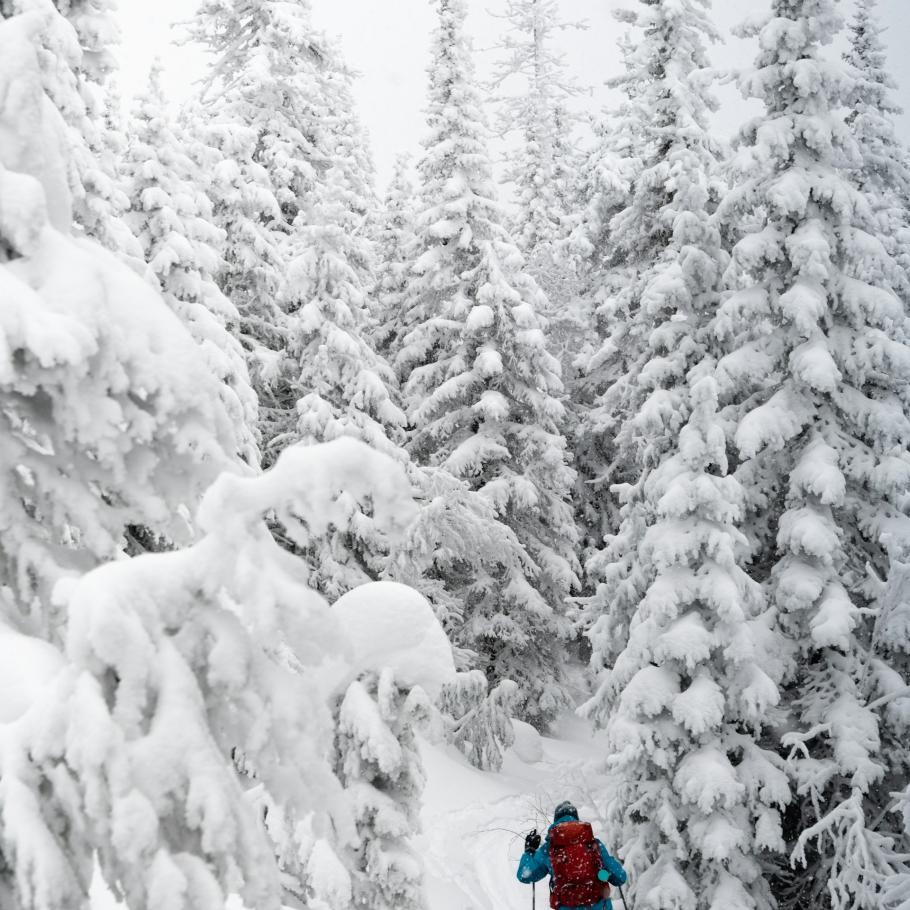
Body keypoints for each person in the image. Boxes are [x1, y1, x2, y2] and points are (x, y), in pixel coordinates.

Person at [517, 801, 627, 910]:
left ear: (556, 820)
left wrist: (529, 850)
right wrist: (605, 873)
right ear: (576, 819)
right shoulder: (593, 844)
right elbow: (620, 877)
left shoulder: (550, 848)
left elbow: (525, 875)